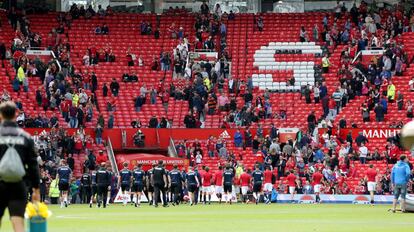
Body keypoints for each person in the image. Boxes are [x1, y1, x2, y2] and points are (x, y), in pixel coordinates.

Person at [0, 101, 40, 232]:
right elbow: (33, 165)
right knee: (18, 225)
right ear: (16, 114)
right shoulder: (25, 137)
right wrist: (36, 189)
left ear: (1, 115)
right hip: (18, 185)